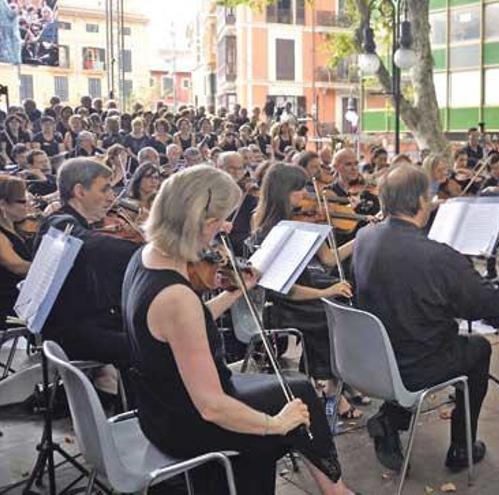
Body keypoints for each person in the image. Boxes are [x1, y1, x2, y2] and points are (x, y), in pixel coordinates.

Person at [123, 165, 357, 495]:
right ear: (201, 224)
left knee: (297, 389)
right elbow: (212, 406)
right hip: (186, 422)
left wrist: (234, 293)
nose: (229, 226)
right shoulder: (175, 297)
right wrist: (275, 424)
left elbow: (188, 325)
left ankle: (334, 489)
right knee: (297, 399)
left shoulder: (146, 256)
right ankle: (336, 490)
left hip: (160, 405)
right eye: (221, 219)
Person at [353, 164, 499, 472]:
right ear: (422, 202)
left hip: (371, 360)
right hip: (413, 366)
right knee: (478, 349)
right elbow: (486, 307)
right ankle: (461, 448)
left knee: (416, 331)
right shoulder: (438, 257)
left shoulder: (364, 237)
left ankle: (390, 419)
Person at [252, 163, 361, 427]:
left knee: (343, 303)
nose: (306, 194)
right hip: (286, 304)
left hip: (306, 294)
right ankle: (330, 389)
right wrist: (326, 291)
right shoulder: (271, 231)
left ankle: (330, 383)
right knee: (332, 316)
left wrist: (363, 237)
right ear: (282, 192)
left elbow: (328, 258)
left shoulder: (301, 220)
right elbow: (286, 290)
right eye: (299, 190)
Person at [35, 158, 140, 375]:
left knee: (150, 333)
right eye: (104, 190)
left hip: (88, 323)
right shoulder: (58, 223)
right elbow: (88, 244)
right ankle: (144, 407)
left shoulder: (75, 223)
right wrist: (147, 251)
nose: (112, 197)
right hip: (72, 332)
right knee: (150, 346)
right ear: (80, 191)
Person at [0, 175, 33, 329]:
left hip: (24, 298)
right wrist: (48, 269)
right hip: (11, 306)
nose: (28, 205)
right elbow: (17, 266)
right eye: (22, 201)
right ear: (2, 204)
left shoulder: (15, 226)